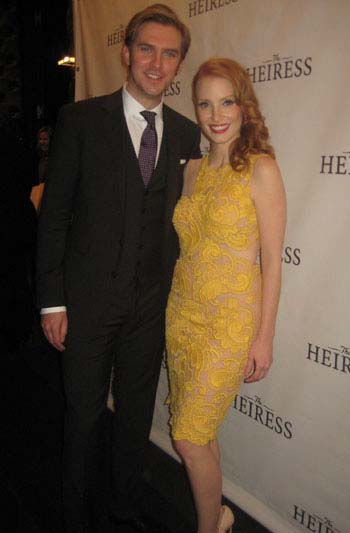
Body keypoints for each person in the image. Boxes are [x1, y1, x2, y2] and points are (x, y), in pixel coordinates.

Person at [36, 4, 201, 532]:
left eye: (169, 53)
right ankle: (74, 515)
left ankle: (124, 510)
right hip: (85, 303)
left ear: (178, 65)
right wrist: (52, 300)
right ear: (127, 54)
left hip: (151, 306)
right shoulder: (82, 120)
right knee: (82, 419)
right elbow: (55, 216)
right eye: (147, 49)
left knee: (134, 419)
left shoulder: (186, 133)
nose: (157, 62)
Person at [166, 58, 286, 533]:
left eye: (227, 102)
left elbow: (273, 261)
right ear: (195, 110)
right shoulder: (190, 169)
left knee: (188, 438)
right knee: (199, 433)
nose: (216, 114)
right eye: (205, 104)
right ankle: (217, 516)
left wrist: (264, 338)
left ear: (243, 105)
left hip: (229, 323)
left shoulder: (261, 169)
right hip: (181, 314)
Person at [30, 125, 52, 212]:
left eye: (45, 139)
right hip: (37, 193)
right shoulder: (35, 157)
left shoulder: (54, 159)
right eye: (40, 139)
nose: (42, 142)